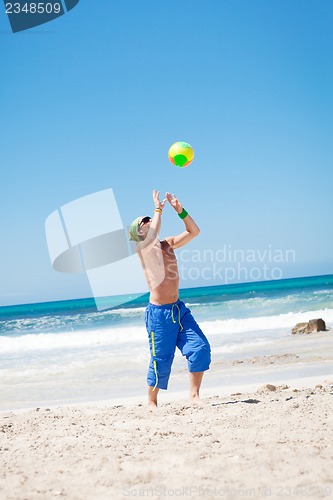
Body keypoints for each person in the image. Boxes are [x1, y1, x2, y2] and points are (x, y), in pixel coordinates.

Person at [129, 190, 211, 407]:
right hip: (159, 315)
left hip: (178, 309)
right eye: (144, 221)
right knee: (161, 360)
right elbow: (153, 232)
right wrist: (157, 209)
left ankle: (194, 396)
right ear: (139, 232)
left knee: (200, 348)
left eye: (149, 218)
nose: (149, 220)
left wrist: (180, 210)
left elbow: (194, 231)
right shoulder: (143, 247)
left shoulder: (167, 244)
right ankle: (152, 401)